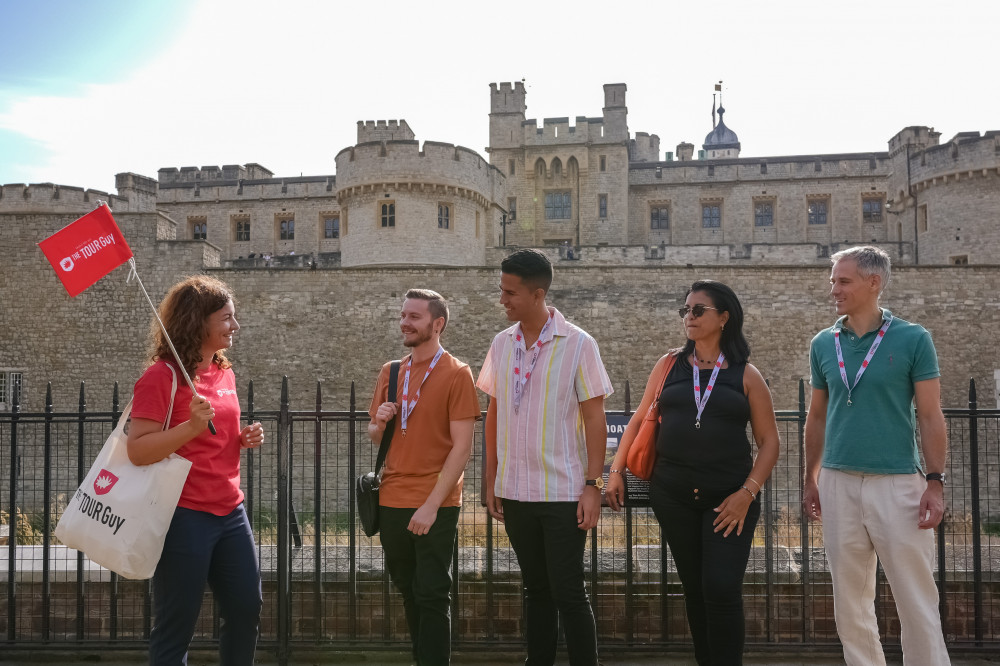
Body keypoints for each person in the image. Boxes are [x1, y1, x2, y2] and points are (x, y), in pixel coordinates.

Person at [606, 279, 780, 665]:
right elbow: (638, 420)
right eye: (686, 310)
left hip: (730, 498)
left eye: (698, 310)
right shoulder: (668, 365)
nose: (689, 316)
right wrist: (615, 471)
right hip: (673, 495)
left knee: (721, 586)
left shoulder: (746, 374)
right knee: (696, 588)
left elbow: (770, 442)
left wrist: (746, 493)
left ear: (723, 317)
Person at [802, 246, 950, 665]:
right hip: (837, 483)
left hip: (898, 482)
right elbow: (816, 416)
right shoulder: (823, 343)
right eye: (833, 281)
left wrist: (935, 483)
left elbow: (931, 415)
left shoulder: (913, 338)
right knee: (849, 602)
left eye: (843, 281)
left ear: (874, 282)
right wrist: (811, 478)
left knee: (916, 598)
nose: (834, 289)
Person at [477, 248, 613, 666]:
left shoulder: (578, 344)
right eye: (502, 290)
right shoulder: (502, 343)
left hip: (562, 492)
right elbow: (494, 412)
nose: (502, 299)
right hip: (515, 491)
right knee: (534, 589)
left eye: (509, 292)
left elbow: (595, 421)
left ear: (537, 295)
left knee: (568, 591)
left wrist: (594, 486)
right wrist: (490, 480)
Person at [126, 275, 264, 666]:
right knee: (177, 626)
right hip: (184, 516)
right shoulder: (161, 377)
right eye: (226, 318)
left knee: (245, 610)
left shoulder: (224, 371)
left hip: (230, 512)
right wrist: (189, 427)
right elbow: (138, 450)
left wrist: (242, 437)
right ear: (197, 321)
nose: (235, 326)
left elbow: (215, 435)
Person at [368, 289, 480, 666]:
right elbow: (376, 437)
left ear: (437, 324)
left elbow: (461, 448)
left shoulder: (457, 373)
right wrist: (379, 421)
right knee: (408, 590)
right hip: (392, 498)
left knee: (432, 593)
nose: (405, 322)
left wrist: (431, 505)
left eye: (414, 316)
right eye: (403, 315)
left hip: (436, 502)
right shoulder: (392, 371)